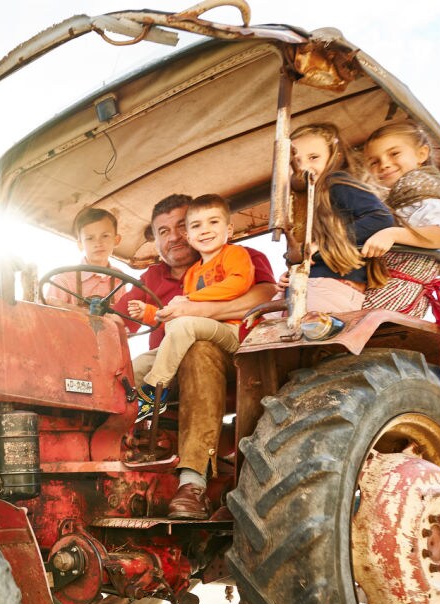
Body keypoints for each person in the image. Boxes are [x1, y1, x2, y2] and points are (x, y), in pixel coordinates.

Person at [115, 194, 277, 519]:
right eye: (163, 231)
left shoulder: (240, 256)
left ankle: (193, 485)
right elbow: (118, 318)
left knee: (198, 351)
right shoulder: (152, 277)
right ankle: (112, 446)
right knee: (120, 370)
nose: (173, 236)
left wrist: (195, 309)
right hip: (166, 360)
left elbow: (264, 295)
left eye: (179, 225)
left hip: (228, 360)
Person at [126, 194, 254, 416]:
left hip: (232, 333)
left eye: (213, 222)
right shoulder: (193, 273)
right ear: (191, 235)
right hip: (192, 337)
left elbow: (238, 283)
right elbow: (177, 313)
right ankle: (120, 418)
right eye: (196, 226)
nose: (204, 230)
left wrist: (193, 300)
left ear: (229, 229)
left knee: (186, 327)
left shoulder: (236, 254)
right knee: (137, 364)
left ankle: (155, 392)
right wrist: (148, 313)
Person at [287, 122, 395, 312]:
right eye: (296, 161)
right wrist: (291, 271)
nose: (304, 167)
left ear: (333, 158)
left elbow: (380, 218)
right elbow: (304, 251)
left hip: (332, 283)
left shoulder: (336, 183)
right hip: (311, 282)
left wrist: (324, 243)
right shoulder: (304, 202)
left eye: (313, 157)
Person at [360, 121, 440, 270]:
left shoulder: (422, 198)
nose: (384, 164)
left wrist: (392, 235)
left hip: (399, 280)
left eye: (394, 154)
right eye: (374, 162)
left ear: (421, 154)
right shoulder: (389, 202)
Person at [44, 206, 122, 307]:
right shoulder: (63, 281)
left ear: (116, 240)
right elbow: (48, 316)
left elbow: (126, 318)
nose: (98, 243)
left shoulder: (120, 279)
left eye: (105, 236)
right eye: (90, 238)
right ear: (80, 244)